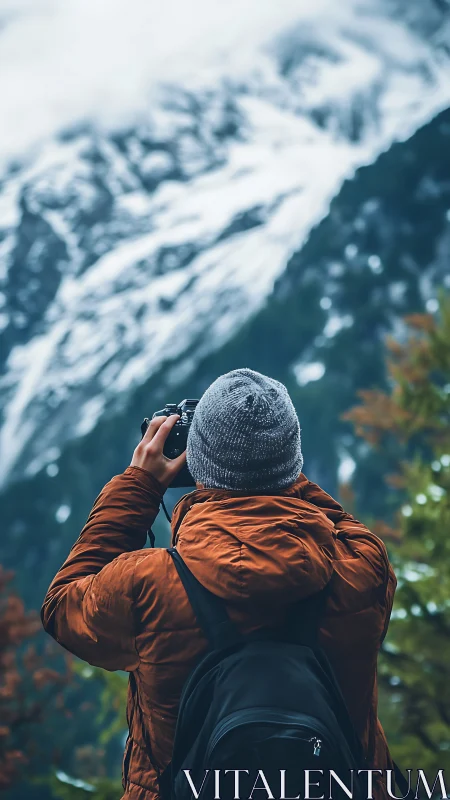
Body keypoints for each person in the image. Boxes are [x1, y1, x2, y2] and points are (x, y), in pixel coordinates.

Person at [41, 368, 397, 800]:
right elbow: (341, 523)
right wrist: (271, 464)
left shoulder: (146, 585)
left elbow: (62, 606)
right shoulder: (361, 568)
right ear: (292, 461)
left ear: (198, 460)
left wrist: (139, 485)